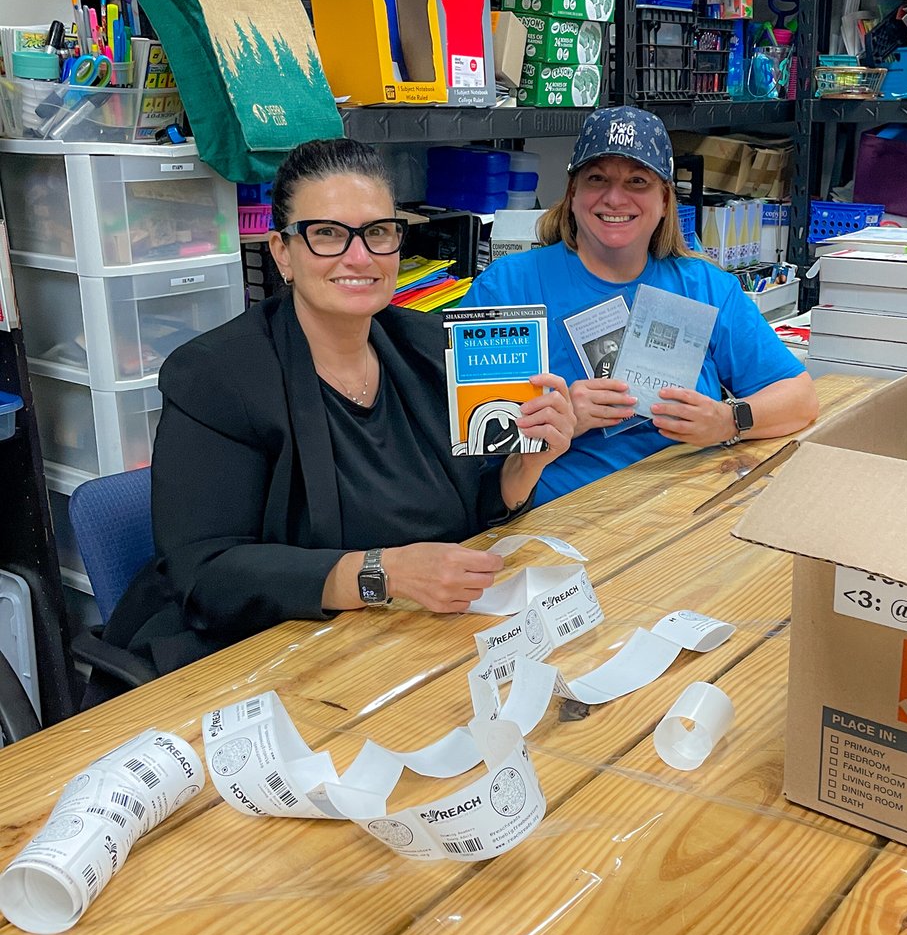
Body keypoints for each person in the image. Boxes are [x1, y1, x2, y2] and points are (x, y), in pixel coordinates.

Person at [100, 138, 574, 685]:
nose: (359, 257)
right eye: (327, 234)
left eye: (378, 232)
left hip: (416, 643)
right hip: (263, 656)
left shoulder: (429, 348)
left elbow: (466, 511)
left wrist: (525, 465)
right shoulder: (218, 375)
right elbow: (205, 574)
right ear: (283, 253)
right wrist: (380, 573)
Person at [464, 105, 818, 506]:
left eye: (638, 181)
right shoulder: (508, 287)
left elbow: (801, 398)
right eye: (597, 178)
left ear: (665, 200)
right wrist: (560, 424)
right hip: (564, 517)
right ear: (573, 193)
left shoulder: (705, 286)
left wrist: (727, 421)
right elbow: (474, 448)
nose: (615, 198)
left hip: (693, 504)